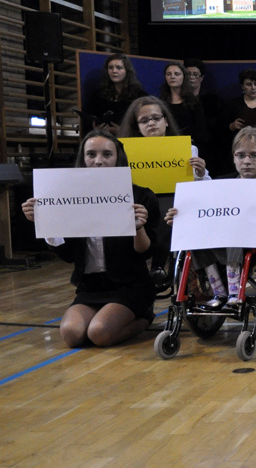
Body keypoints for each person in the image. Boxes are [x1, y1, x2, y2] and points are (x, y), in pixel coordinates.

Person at [21, 130, 159, 347]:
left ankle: (143, 318)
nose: (99, 161)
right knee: (71, 334)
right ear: (83, 158)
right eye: (91, 154)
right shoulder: (69, 197)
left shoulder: (141, 196)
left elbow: (146, 253)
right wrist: (45, 223)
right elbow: (68, 256)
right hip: (90, 287)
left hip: (130, 285)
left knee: (99, 333)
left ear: (118, 158)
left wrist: (138, 228)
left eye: (107, 154)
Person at [165, 127, 256, 306]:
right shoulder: (220, 184)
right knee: (195, 236)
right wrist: (181, 220)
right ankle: (219, 291)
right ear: (234, 158)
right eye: (241, 155)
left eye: (254, 155)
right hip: (219, 242)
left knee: (235, 229)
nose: (246, 161)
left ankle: (234, 290)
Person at [119, 96, 211, 285]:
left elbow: (205, 186)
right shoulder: (126, 153)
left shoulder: (187, 149)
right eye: (144, 120)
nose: (151, 123)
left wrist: (200, 173)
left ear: (166, 121)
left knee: (168, 209)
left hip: (175, 199)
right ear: (137, 127)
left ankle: (158, 266)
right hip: (141, 200)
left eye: (156, 118)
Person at [84, 54, 147, 133]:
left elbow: (146, 125)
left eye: (119, 67)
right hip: (103, 137)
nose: (114, 71)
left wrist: (121, 131)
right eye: (110, 68)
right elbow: (89, 122)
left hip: (130, 139)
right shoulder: (97, 96)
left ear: (127, 71)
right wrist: (96, 128)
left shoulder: (140, 96)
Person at [158, 61, 207, 149]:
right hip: (166, 146)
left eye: (176, 74)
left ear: (184, 77)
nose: (172, 77)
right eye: (169, 74)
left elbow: (201, 131)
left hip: (189, 146)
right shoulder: (161, 103)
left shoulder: (193, 103)